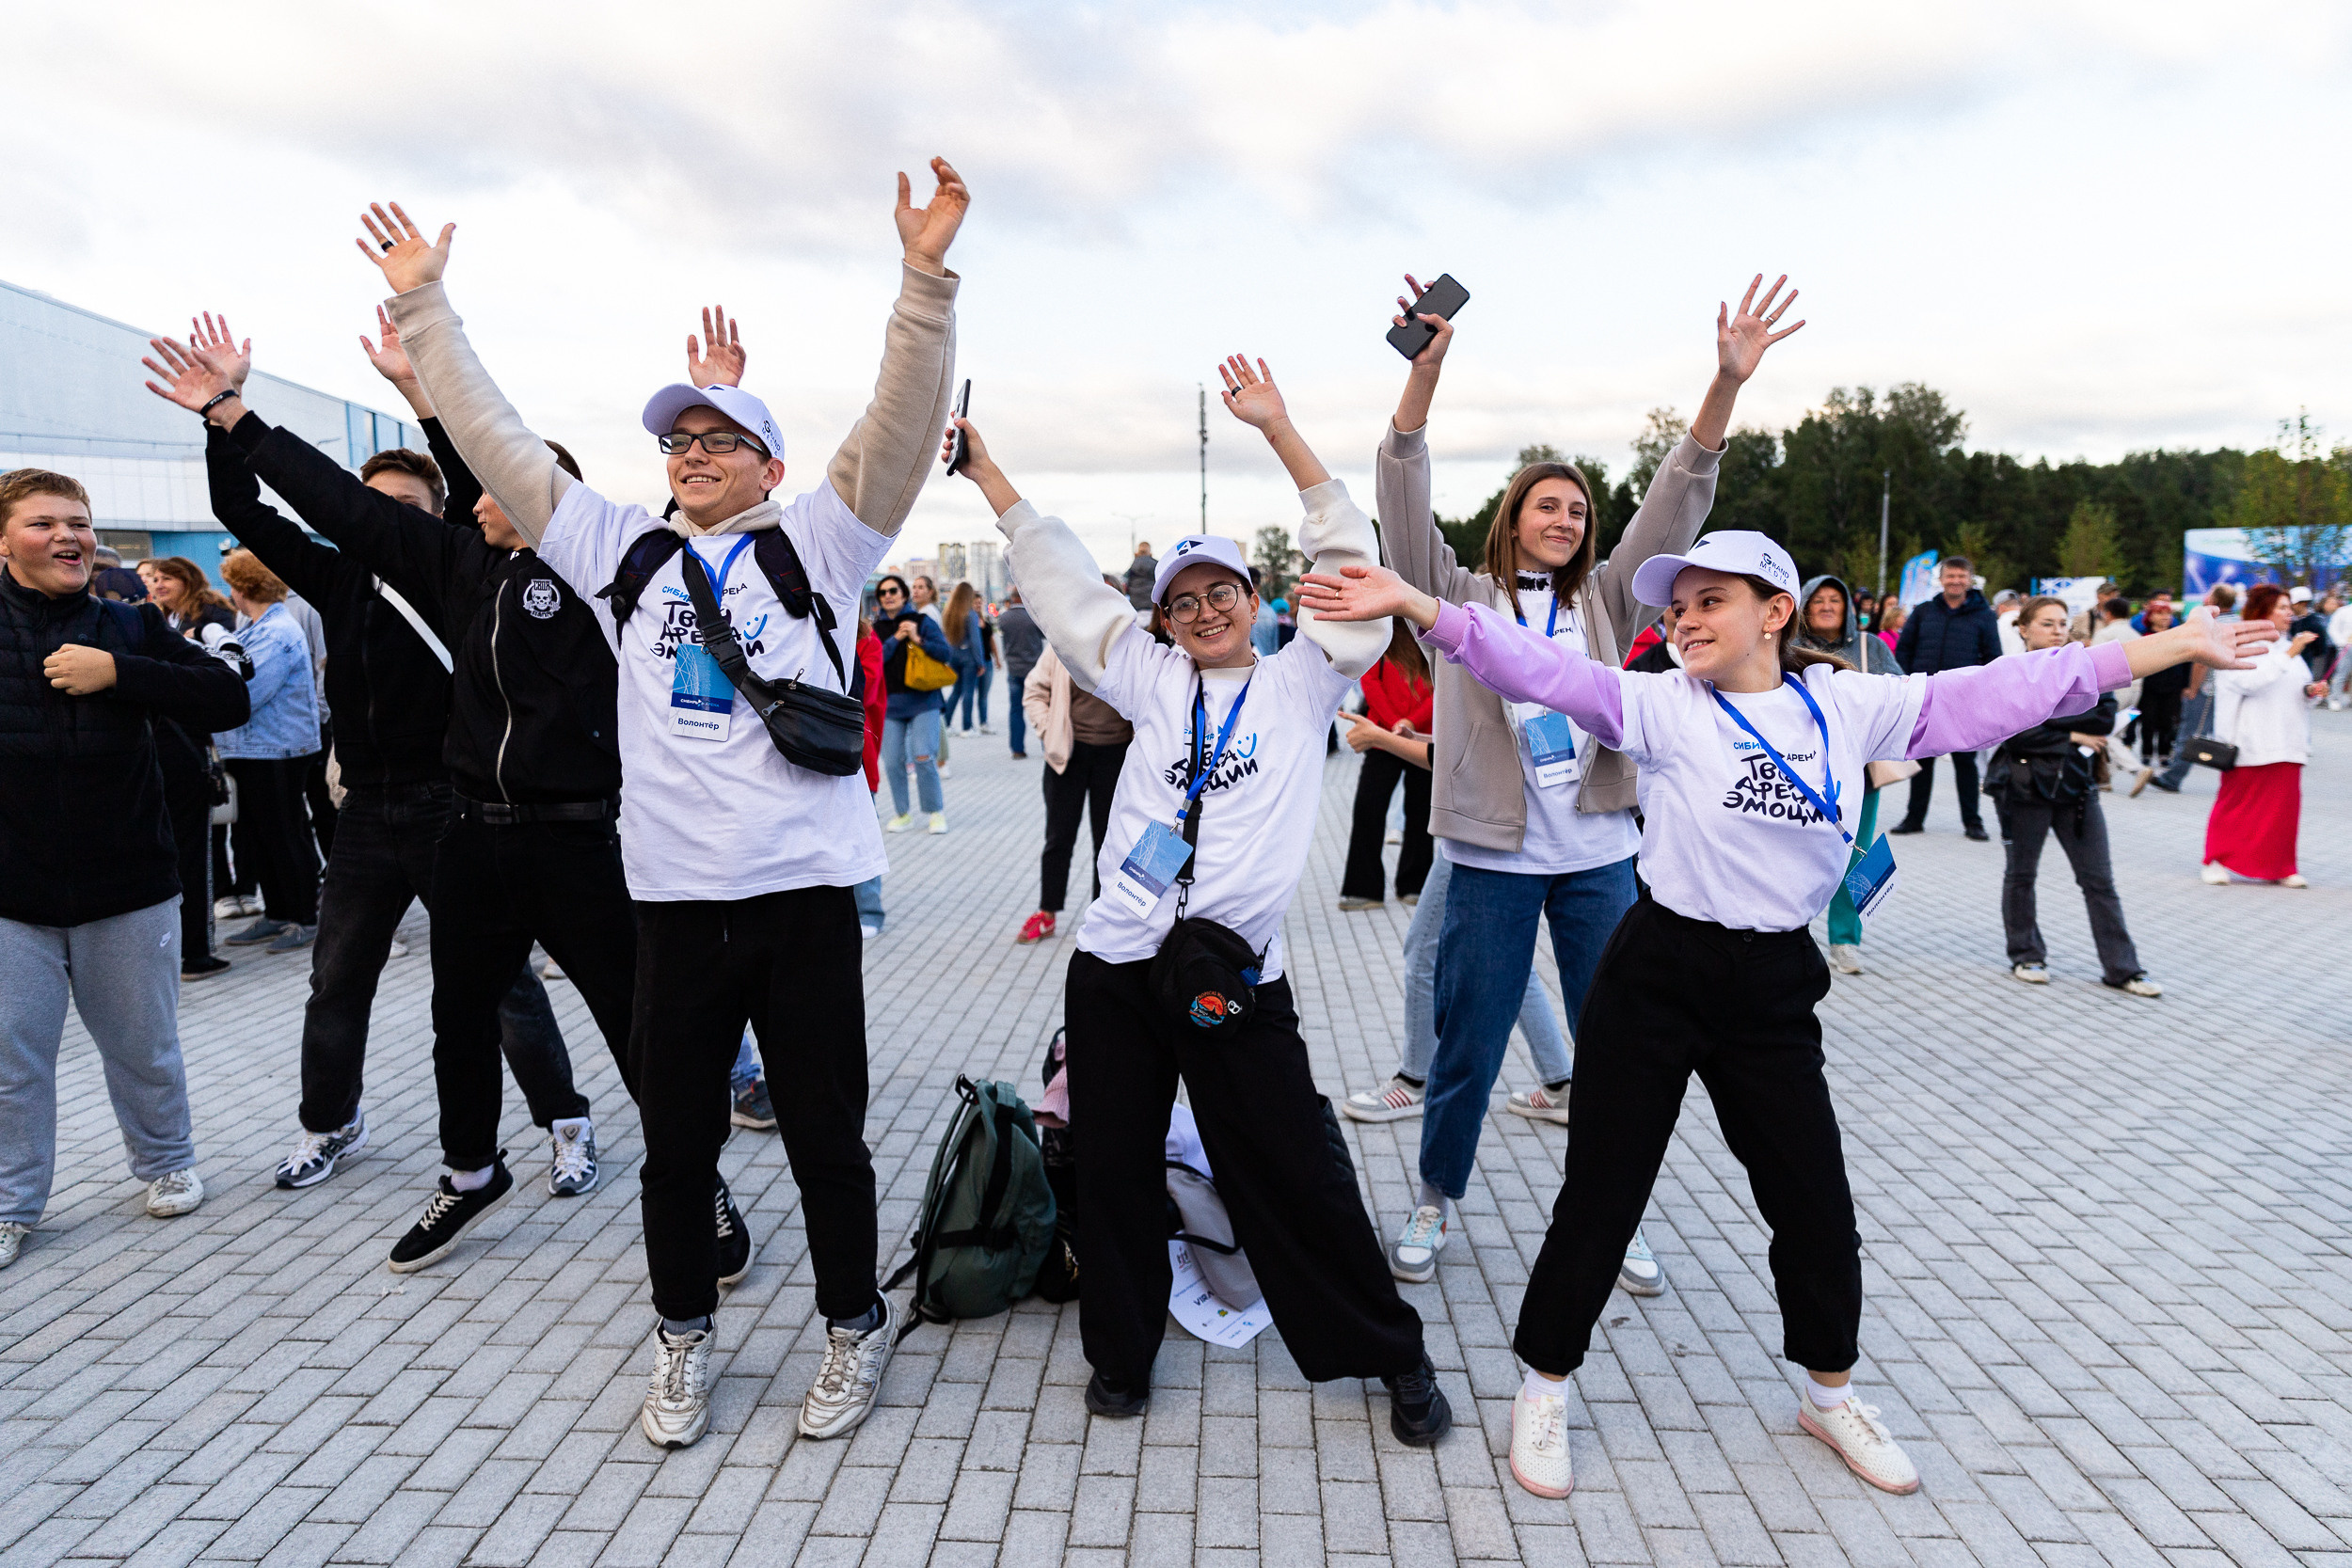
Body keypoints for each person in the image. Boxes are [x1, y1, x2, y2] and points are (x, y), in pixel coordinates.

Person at [1298, 529, 2276, 1501]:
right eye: (1675, 605)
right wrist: (1421, 606)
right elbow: (1539, 666)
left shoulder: (1847, 702)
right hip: (1658, 970)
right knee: (1603, 1192)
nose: (1682, 618)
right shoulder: (1659, 704)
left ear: (1774, 610)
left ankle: (1828, 1389)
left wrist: (2172, 643)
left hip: (1772, 985)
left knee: (1813, 1203)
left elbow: (2003, 690)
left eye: (1707, 600)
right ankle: (1544, 1381)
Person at [368, 162, 963, 1450]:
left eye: (719, 439)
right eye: (677, 441)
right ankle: (681, 1338)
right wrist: (427, 315)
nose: (692, 456)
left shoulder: (823, 539)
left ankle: (852, 1327)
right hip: (677, 906)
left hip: (801, 900)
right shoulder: (618, 551)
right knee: (676, 1146)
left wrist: (922, 283)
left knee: (828, 1143)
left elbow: (903, 421)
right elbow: (503, 445)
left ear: (769, 460)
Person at [953, 356, 1454, 1446]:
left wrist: (1277, 427)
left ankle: (1391, 1351)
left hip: (1232, 976)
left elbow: (1347, 560)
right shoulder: (1144, 675)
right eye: (1181, 601)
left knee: (1293, 1167)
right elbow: (1061, 583)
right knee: (1115, 1165)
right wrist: (992, 475)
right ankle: (1121, 1353)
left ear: (1253, 599)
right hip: (1120, 965)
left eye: (1219, 591)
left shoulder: (1301, 678)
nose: (1201, 611)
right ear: (1166, 618)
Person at [1372, 271, 1802, 1290]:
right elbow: (1398, 496)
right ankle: (1436, 1195)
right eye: (1545, 505)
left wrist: (1723, 385)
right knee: (1467, 1044)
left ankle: (1615, 1213)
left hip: (1603, 859)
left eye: (1577, 507)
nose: (1564, 518)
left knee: (1620, 1053)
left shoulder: (1609, 598)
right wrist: (1423, 380)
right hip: (1491, 859)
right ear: (1512, 517)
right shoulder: (1458, 594)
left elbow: (1677, 495)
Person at [143, 315, 601, 1197]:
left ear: (443, 518)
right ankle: (330, 1121)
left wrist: (423, 394)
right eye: (369, 503)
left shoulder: (466, 573)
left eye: (402, 508)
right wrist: (217, 418)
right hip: (366, 813)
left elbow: (482, 475)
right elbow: (241, 508)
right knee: (335, 977)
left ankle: (565, 1122)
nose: (377, 518)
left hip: (454, 807)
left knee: (502, 986)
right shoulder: (338, 578)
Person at [1, 468, 250, 1270]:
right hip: (11, 893)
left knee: (143, 1044)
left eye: (79, 522)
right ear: (4, 539)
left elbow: (226, 699)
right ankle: (10, 1203)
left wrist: (120, 674)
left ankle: (166, 1161)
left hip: (130, 881)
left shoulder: (131, 625)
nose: (68, 537)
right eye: (45, 523)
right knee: (12, 1059)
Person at [1339, 726, 1582, 1134]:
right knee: (1509, 956)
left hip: (1488, 824)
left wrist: (1381, 737)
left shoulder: (1502, 664)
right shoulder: (1538, 671)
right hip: (1506, 821)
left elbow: (1467, 759)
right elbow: (1481, 742)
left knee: (1424, 948)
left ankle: (1414, 1081)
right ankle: (1560, 1083)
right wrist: (1421, 734)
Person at [1989, 597, 2160, 995]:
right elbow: (2014, 730)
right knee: (2021, 874)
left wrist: (2049, 721)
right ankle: (2026, 953)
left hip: (2076, 786)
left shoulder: (2083, 667)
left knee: (2098, 879)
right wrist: (2070, 733)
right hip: (2023, 785)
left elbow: (2104, 715)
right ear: (2024, 629)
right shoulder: (2009, 672)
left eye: (2062, 623)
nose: (2057, 630)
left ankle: (2123, 967)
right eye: (2047, 623)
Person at [134, 556, 242, 977]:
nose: (157, 584)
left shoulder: (208, 619)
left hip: (180, 747)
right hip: (168, 749)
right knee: (182, 854)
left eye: (165, 578)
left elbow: (235, 675)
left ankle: (193, 948)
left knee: (191, 853)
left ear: (187, 580)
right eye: (153, 579)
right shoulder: (153, 620)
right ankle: (190, 950)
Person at [214, 548, 324, 952]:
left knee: (285, 834)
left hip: (277, 750)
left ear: (243, 587)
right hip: (253, 748)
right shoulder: (254, 627)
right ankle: (277, 913)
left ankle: (305, 918)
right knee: (260, 835)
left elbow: (248, 691)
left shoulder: (277, 632)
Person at [1795, 575, 1904, 975]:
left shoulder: (1868, 646)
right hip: (1799, 768)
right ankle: (1793, 932)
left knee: (1858, 853)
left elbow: (1898, 690)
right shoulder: (1789, 647)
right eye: (1818, 600)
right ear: (1804, 606)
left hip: (1859, 770)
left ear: (1847, 608)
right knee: (1795, 851)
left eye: (1834, 600)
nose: (1826, 606)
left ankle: (1846, 939)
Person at [2202, 583, 2324, 888]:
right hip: (2249, 743)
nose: (2289, 613)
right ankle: (2216, 860)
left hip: (2289, 742)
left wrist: (2312, 692)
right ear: (2263, 612)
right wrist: (2291, 653)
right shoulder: (2241, 645)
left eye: (2289, 607)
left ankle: (2281, 866)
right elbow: (2250, 681)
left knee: (2283, 811)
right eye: (2282, 607)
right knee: (2236, 806)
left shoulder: (2287, 649)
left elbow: (2298, 687)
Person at [1015, 640, 1133, 944]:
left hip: (1117, 755)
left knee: (1109, 842)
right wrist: (1047, 729)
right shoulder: (1063, 645)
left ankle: (1103, 913)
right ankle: (1047, 912)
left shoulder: (1131, 647)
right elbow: (1034, 691)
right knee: (1059, 836)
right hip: (1069, 753)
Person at [1890, 558, 2001, 839]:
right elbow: (1904, 651)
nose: (1956, 581)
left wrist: (1983, 693)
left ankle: (1972, 822)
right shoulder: (1924, 612)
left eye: (1961, 576)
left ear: (1970, 579)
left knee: (1966, 763)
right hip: (1925, 698)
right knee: (1921, 761)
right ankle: (1914, 818)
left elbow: (1993, 659)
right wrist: (1909, 683)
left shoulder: (1983, 615)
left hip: (1965, 701)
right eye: (1950, 576)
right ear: (1941, 579)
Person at [1337, 620, 1434, 909]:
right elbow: (1370, 683)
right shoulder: (1379, 636)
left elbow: (1441, 687)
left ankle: (1415, 884)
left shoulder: (1430, 635)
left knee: (1421, 811)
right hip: (1381, 735)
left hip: (1423, 735)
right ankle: (1363, 888)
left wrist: (1411, 722)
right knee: (1369, 807)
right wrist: (1393, 725)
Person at [874, 574, 954, 832]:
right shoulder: (877, 629)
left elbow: (945, 653)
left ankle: (935, 812)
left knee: (923, 756)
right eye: (883, 593)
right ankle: (903, 813)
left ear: (904, 595)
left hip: (924, 701)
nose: (888, 595)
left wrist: (918, 638)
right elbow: (875, 661)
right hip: (891, 705)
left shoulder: (922, 621)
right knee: (893, 762)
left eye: (893, 590)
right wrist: (896, 638)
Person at [2146, 583, 2239, 794]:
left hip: (2208, 688)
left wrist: (2192, 688)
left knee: (2190, 732)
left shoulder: (2212, 625)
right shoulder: (2239, 622)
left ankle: (2172, 777)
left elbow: (2201, 661)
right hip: (2232, 689)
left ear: (2214, 601)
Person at [2131, 597, 2187, 779]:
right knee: (2147, 720)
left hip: (2173, 684)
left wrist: (2186, 685)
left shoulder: (2177, 635)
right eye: (2160, 613)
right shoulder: (2143, 637)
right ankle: (2146, 753)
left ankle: (2164, 753)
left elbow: (2187, 662)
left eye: (2168, 613)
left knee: (2168, 721)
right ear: (2150, 616)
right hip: (2149, 685)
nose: (2165, 617)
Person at [996, 586, 1043, 756]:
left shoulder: (1004, 618)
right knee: (1042, 707)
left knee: (1016, 709)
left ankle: (1017, 750)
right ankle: (1048, 747)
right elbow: (1044, 635)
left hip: (1013, 669)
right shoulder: (1033, 617)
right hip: (1034, 669)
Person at [941, 580, 986, 733]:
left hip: (953, 657)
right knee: (968, 692)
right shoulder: (970, 614)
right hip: (968, 659)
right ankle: (967, 728)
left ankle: (946, 724)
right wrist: (980, 662)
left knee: (956, 690)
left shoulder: (948, 613)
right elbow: (975, 641)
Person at [2289, 585, 2334, 682]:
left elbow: (2320, 653)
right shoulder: (2290, 622)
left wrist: (2316, 679)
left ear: (2303, 603)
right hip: (2291, 669)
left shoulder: (2315, 624)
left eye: (2293, 604)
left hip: (2307, 670)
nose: (2291, 606)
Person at [2325, 590, 2351, 709]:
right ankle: (2335, 698)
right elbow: (2332, 629)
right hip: (2346, 647)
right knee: (2341, 674)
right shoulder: (2343, 611)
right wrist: (2341, 642)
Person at [1249, 565, 1281, 655]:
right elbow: (1275, 646)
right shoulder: (1270, 611)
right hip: (1266, 664)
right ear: (1259, 585)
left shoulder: (1235, 609)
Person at [1124, 539, 1157, 610]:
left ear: (1137, 553)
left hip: (1135, 604)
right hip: (1152, 605)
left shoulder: (1133, 566)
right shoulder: (1156, 565)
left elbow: (1125, 582)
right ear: (1150, 553)